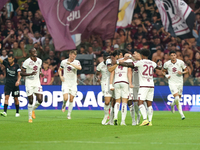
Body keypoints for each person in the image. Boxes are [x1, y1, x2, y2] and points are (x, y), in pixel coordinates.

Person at [116, 49, 162, 126]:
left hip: (143, 85)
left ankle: (144, 119)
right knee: (149, 104)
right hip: (151, 85)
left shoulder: (140, 62)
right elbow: (160, 68)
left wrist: (117, 62)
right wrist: (160, 64)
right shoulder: (152, 63)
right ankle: (150, 121)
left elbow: (129, 64)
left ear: (142, 55)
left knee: (140, 103)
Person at [162, 51, 188, 120]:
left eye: (174, 55)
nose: (173, 56)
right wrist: (166, 75)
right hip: (172, 82)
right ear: (169, 56)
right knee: (176, 98)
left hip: (180, 82)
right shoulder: (167, 64)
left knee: (178, 99)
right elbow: (163, 72)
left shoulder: (181, 62)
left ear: (176, 56)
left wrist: (182, 72)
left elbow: (186, 70)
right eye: (171, 55)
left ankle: (172, 105)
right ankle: (182, 114)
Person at [21, 48, 43, 123]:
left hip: (37, 82)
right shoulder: (26, 62)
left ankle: (33, 110)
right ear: (30, 53)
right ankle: (30, 118)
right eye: (33, 51)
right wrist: (30, 74)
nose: (35, 52)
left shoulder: (40, 60)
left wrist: (40, 73)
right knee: (31, 100)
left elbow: (39, 69)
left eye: (35, 51)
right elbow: (21, 73)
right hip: (29, 82)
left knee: (40, 100)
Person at [110, 50, 132, 125]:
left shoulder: (115, 62)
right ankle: (123, 121)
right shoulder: (128, 61)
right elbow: (129, 73)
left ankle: (115, 116)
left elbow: (112, 73)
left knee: (117, 101)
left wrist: (111, 84)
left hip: (116, 82)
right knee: (124, 102)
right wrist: (130, 83)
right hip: (124, 82)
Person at [59, 50, 82, 119]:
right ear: (69, 55)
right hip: (65, 82)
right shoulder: (63, 62)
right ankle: (64, 104)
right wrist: (60, 76)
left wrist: (71, 64)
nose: (73, 58)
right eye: (72, 56)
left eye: (74, 57)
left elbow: (80, 68)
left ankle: (69, 115)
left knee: (71, 99)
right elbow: (60, 69)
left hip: (73, 83)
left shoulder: (76, 62)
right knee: (66, 98)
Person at [95, 53, 113, 125]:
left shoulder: (112, 64)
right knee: (107, 102)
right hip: (105, 84)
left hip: (113, 83)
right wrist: (97, 78)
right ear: (104, 58)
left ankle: (111, 118)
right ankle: (106, 116)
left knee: (112, 102)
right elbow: (97, 73)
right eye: (107, 57)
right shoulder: (100, 65)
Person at [128, 50, 142, 125]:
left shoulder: (143, 62)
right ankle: (135, 118)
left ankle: (142, 116)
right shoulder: (134, 63)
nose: (133, 55)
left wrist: (130, 56)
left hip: (141, 85)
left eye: (135, 53)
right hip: (133, 85)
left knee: (139, 103)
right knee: (132, 102)